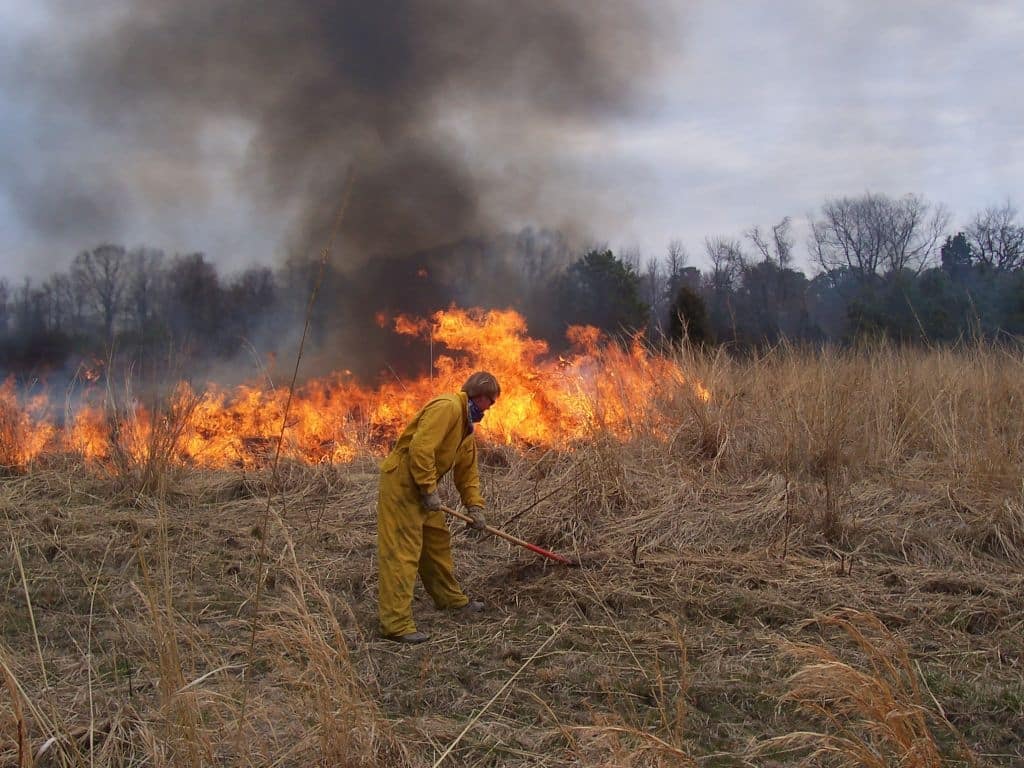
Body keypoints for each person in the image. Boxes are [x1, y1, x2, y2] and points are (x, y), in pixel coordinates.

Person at [376, 370, 500, 644]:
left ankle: (450, 600)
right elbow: (421, 448)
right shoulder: (447, 408)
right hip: (403, 485)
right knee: (402, 552)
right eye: (490, 402)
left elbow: (467, 474)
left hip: (422, 490)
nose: (489, 409)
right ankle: (396, 624)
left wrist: (474, 507)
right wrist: (428, 488)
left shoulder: (466, 428)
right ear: (479, 396)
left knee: (436, 545)